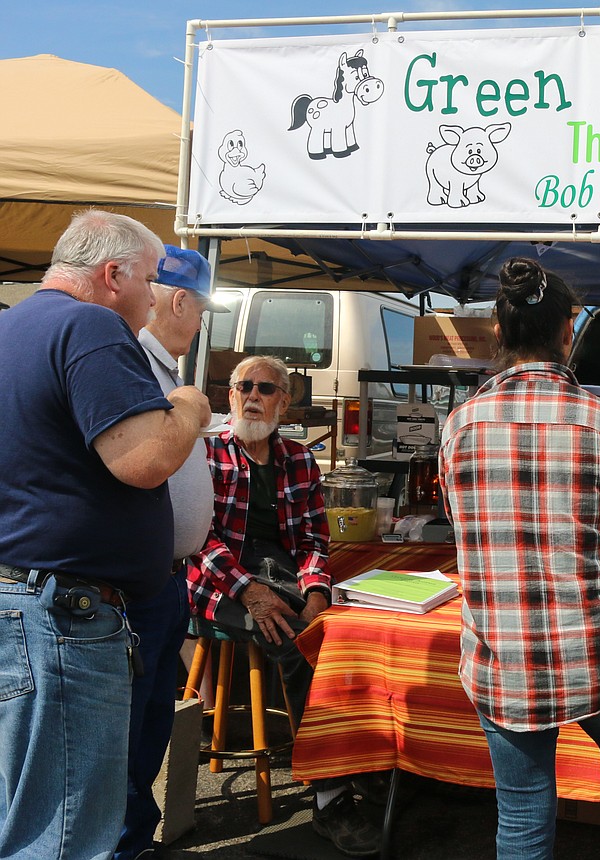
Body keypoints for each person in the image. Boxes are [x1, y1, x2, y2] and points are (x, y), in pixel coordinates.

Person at [439, 257, 600, 860]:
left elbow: (460, 527)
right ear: (568, 332)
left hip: (502, 655)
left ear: (498, 332)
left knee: (522, 812)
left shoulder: (460, 426)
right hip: (598, 648)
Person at [0, 210, 211, 860]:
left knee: (33, 816)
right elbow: (144, 459)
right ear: (111, 273)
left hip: (31, 604)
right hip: (65, 616)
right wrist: (189, 407)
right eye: (148, 280)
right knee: (66, 834)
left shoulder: (12, 327)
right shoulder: (87, 324)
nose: (153, 297)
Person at [186, 355, 380, 858]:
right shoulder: (205, 454)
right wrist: (248, 589)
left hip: (286, 578)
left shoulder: (298, 458)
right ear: (228, 396)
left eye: (265, 388)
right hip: (222, 583)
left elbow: (315, 538)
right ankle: (331, 796)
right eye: (243, 386)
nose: (252, 395)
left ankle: (363, 760)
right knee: (298, 649)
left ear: (284, 401)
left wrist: (317, 593)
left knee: (350, 639)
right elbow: (197, 539)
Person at [117, 246, 226, 860]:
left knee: (152, 718)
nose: (201, 325)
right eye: (201, 311)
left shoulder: (160, 367)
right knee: (131, 728)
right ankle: (125, 842)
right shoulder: (137, 364)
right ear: (180, 301)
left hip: (165, 581)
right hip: (141, 585)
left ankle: (133, 837)